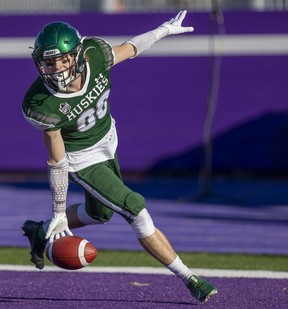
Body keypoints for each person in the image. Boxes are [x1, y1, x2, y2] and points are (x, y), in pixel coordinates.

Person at [21, 11, 217, 303]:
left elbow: (131, 48)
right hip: (82, 159)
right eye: (49, 62)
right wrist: (60, 211)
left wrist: (163, 30)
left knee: (100, 214)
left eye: (63, 60)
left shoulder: (95, 55)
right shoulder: (41, 103)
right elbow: (57, 161)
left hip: (107, 140)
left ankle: (40, 230)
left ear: (78, 55)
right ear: (40, 63)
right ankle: (189, 277)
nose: (57, 69)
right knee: (135, 208)